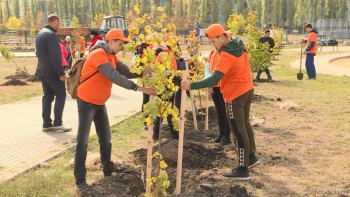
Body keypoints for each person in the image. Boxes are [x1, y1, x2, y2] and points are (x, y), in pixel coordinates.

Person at [74, 29, 156, 190]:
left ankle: (108, 169)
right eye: (120, 44)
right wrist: (139, 89)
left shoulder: (111, 55)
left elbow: (125, 70)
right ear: (110, 41)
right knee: (82, 141)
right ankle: (80, 180)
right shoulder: (98, 54)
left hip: (99, 101)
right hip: (87, 101)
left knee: (105, 137)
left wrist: (141, 71)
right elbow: (113, 75)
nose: (122, 47)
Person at [181, 24, 260, 180]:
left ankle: (242, 169)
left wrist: (191, 85)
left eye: (213, 41)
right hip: (247, 88)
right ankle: (251, 158)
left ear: (222, 37)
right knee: (245, 124)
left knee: (238, 130)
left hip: (235, 94)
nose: (213, 45)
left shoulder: (226, 55)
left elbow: (215, 78)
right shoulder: (239, 44)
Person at [35, 14, 71, 132]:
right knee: (61, 95)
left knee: (47, 96)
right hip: (53, 72)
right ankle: (57, 123)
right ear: (55, 21)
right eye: (59, 24)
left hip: (42, 70)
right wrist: (60, 73)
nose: (59, 26)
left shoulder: (40, 34)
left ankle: (46, 124)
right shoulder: (51, 35)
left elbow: (38, 53)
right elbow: (55, 56)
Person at [205, 49, 234, 146]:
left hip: (223, 86)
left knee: (225, 112)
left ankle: (227, 136)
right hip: (214, 87)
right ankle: (221, 134)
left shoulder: (225, 53)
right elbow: (208, 69)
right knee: (219, 111)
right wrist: (209, 84)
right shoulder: (212, 53)